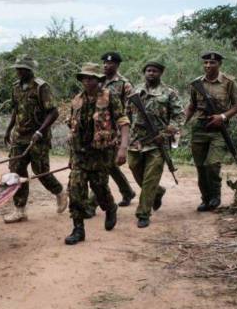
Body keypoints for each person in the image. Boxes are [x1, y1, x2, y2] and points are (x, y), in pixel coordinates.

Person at [65, 62, 130, 245]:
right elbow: (73, 129)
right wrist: (71, 157)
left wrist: (123, 148)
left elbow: (123, 121)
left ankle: (110, 207)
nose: (87, 81)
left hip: (101, 154)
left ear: (98, 79)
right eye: (84, 78)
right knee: (75, 190)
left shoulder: (110, 97)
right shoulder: (77, 99)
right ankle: (78, 229)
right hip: (80, 153)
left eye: (91, 78)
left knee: (100, 188)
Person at [3, 54, 67, 223]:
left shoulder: (41, 87)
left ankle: (59, 192)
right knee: (16, 172)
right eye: (17, 68)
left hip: (38, 137)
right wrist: (8, 130)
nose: (18, 71)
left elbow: (53, 112)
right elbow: (15, 110)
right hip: (19, 136)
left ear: (29, 70)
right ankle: (20, 209)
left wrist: (40, 131)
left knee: (41, 171)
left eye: (22, 69)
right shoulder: (16, 87)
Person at [127, 61, 184, 228]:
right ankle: (157, 192)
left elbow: (179, 116)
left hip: (157, 142)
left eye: (155, 71)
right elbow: (126, 113)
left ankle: (143, 213)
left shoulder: (169, 93)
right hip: (136, 140)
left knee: (151, 177)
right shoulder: (135, 91)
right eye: (148, 70)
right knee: (134, 168)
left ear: (161, 74)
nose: (151, 73)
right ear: (144, 73)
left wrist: (166, 133)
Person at [184, 51, 237, 212]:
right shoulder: (197, 83)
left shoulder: (229, 82)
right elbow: (192, 106)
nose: (208, 66)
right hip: (199, 128)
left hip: (219, 129)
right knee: (200, 167)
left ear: (219, 64)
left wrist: (223, 117)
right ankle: (206, 199)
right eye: (206, 63)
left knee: (212, 164)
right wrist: (181, 124)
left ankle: (215, 197)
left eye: (212, 63)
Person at [98, 51, 135, 207]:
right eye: (105, 63)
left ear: (117, 65)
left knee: (105, 165)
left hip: (117, 129)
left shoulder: (124, 84)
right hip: (100, 129)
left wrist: (122, 135)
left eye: (110, 63)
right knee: (110, 165)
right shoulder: (98, 82)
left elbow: (129, 109)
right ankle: (127, 191)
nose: (107, 65)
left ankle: (93, 202)